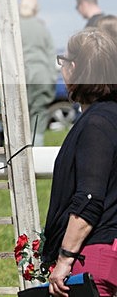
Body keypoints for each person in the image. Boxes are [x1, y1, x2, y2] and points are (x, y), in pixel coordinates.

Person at [44, 29, 117, 297]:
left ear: (74, 68)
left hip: (96, 256)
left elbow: (88, 198)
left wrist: (64, 259)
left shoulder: (96, 125)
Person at [19, 0, 57, 146]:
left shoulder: (12, 27)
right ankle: (36, 153)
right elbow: (50, 55)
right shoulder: (42, 28)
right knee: (38, 116)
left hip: (20, 75)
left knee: (19, 116)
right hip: (42, 75)